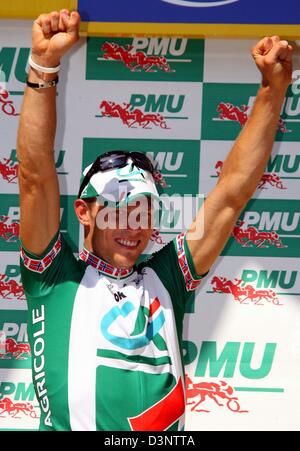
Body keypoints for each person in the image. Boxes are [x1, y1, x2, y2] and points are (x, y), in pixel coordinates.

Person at [17, 9, 293, 431]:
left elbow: (229, 197)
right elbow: (35, 178)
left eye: (143, 209)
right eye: (117, 207)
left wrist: (273, 90)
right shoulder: (55, 275)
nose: (132, 224)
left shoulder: (167, 277)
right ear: (84, 210)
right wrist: (44, 64)